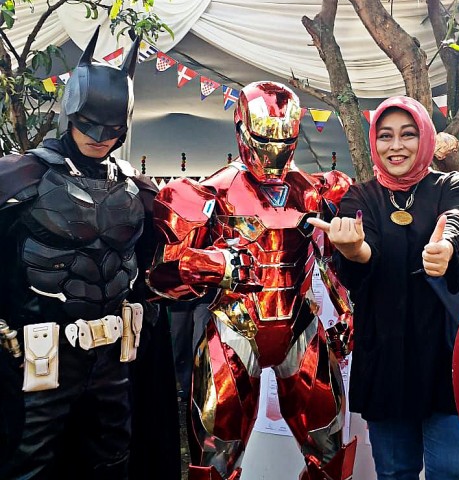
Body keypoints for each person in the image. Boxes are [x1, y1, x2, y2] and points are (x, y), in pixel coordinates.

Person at [146, 80, 357, 480]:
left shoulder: (315, 191)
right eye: (264, 137)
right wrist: (214, 264)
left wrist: (345, 309)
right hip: (234, 327)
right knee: (214, 458)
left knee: (329, 452)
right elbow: (160, 276)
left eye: (284, 139)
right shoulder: (210, 192)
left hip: (299, 324)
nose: (273, 150)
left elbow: (333, 260)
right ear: (243, 129)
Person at [0, 26, 180, 479]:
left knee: (113, 459)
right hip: (39, 356)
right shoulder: (21, 177)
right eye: (88, 125)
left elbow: (154, 270)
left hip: (111, 358)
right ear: (70, 114)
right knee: (29, 462)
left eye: (113, 129)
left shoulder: (135, 190)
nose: (100, 137)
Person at [309, 96, 459, 480]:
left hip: (445, 356)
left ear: (425, 138)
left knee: (452, 471)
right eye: (385, 136)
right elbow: (366, 244)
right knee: (394, 472)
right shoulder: (361, 196)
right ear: (374, 142)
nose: (396, 146)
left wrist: (447, 248)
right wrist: (353, 249)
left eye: (407, 134)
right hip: (387, 355)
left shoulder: (450, 185)